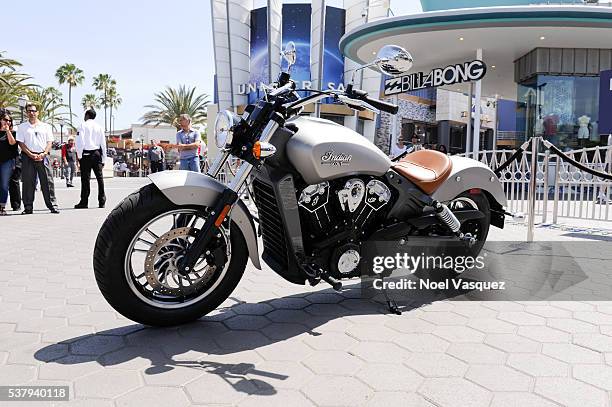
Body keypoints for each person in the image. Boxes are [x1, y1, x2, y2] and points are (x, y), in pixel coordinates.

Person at [16, 103, 60, 214]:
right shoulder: (22, 127)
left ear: (38, 112)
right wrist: (30, 154)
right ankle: (28, 207)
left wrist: (44, 153)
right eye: (29, 111)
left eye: (34, 111)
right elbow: (20, 143)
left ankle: (53, 205)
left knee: (48, 181)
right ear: (26, 113)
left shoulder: (45, 126)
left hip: (43, 156)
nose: (32, 113)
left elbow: (49, 141)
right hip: (28, 157)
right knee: (28, 183)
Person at [74, 109, 106, 209]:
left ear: (87, 115)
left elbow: (80, 142)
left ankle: (84, 202)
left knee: (85, 179)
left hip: (86, 154)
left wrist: (79, 156)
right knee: (100, 178)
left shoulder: (82, 126)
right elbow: (103, 144)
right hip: (97, 154)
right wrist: (104, 158)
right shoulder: (99, 127)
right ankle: (102, 201)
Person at [0, 109, 18, 216]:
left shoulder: (13, 133)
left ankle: (2, 207)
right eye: (5, 120)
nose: (8, 122)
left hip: (7, 162)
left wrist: (7, 131)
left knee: (4, 185)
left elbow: (12, 143)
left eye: (10, 120)